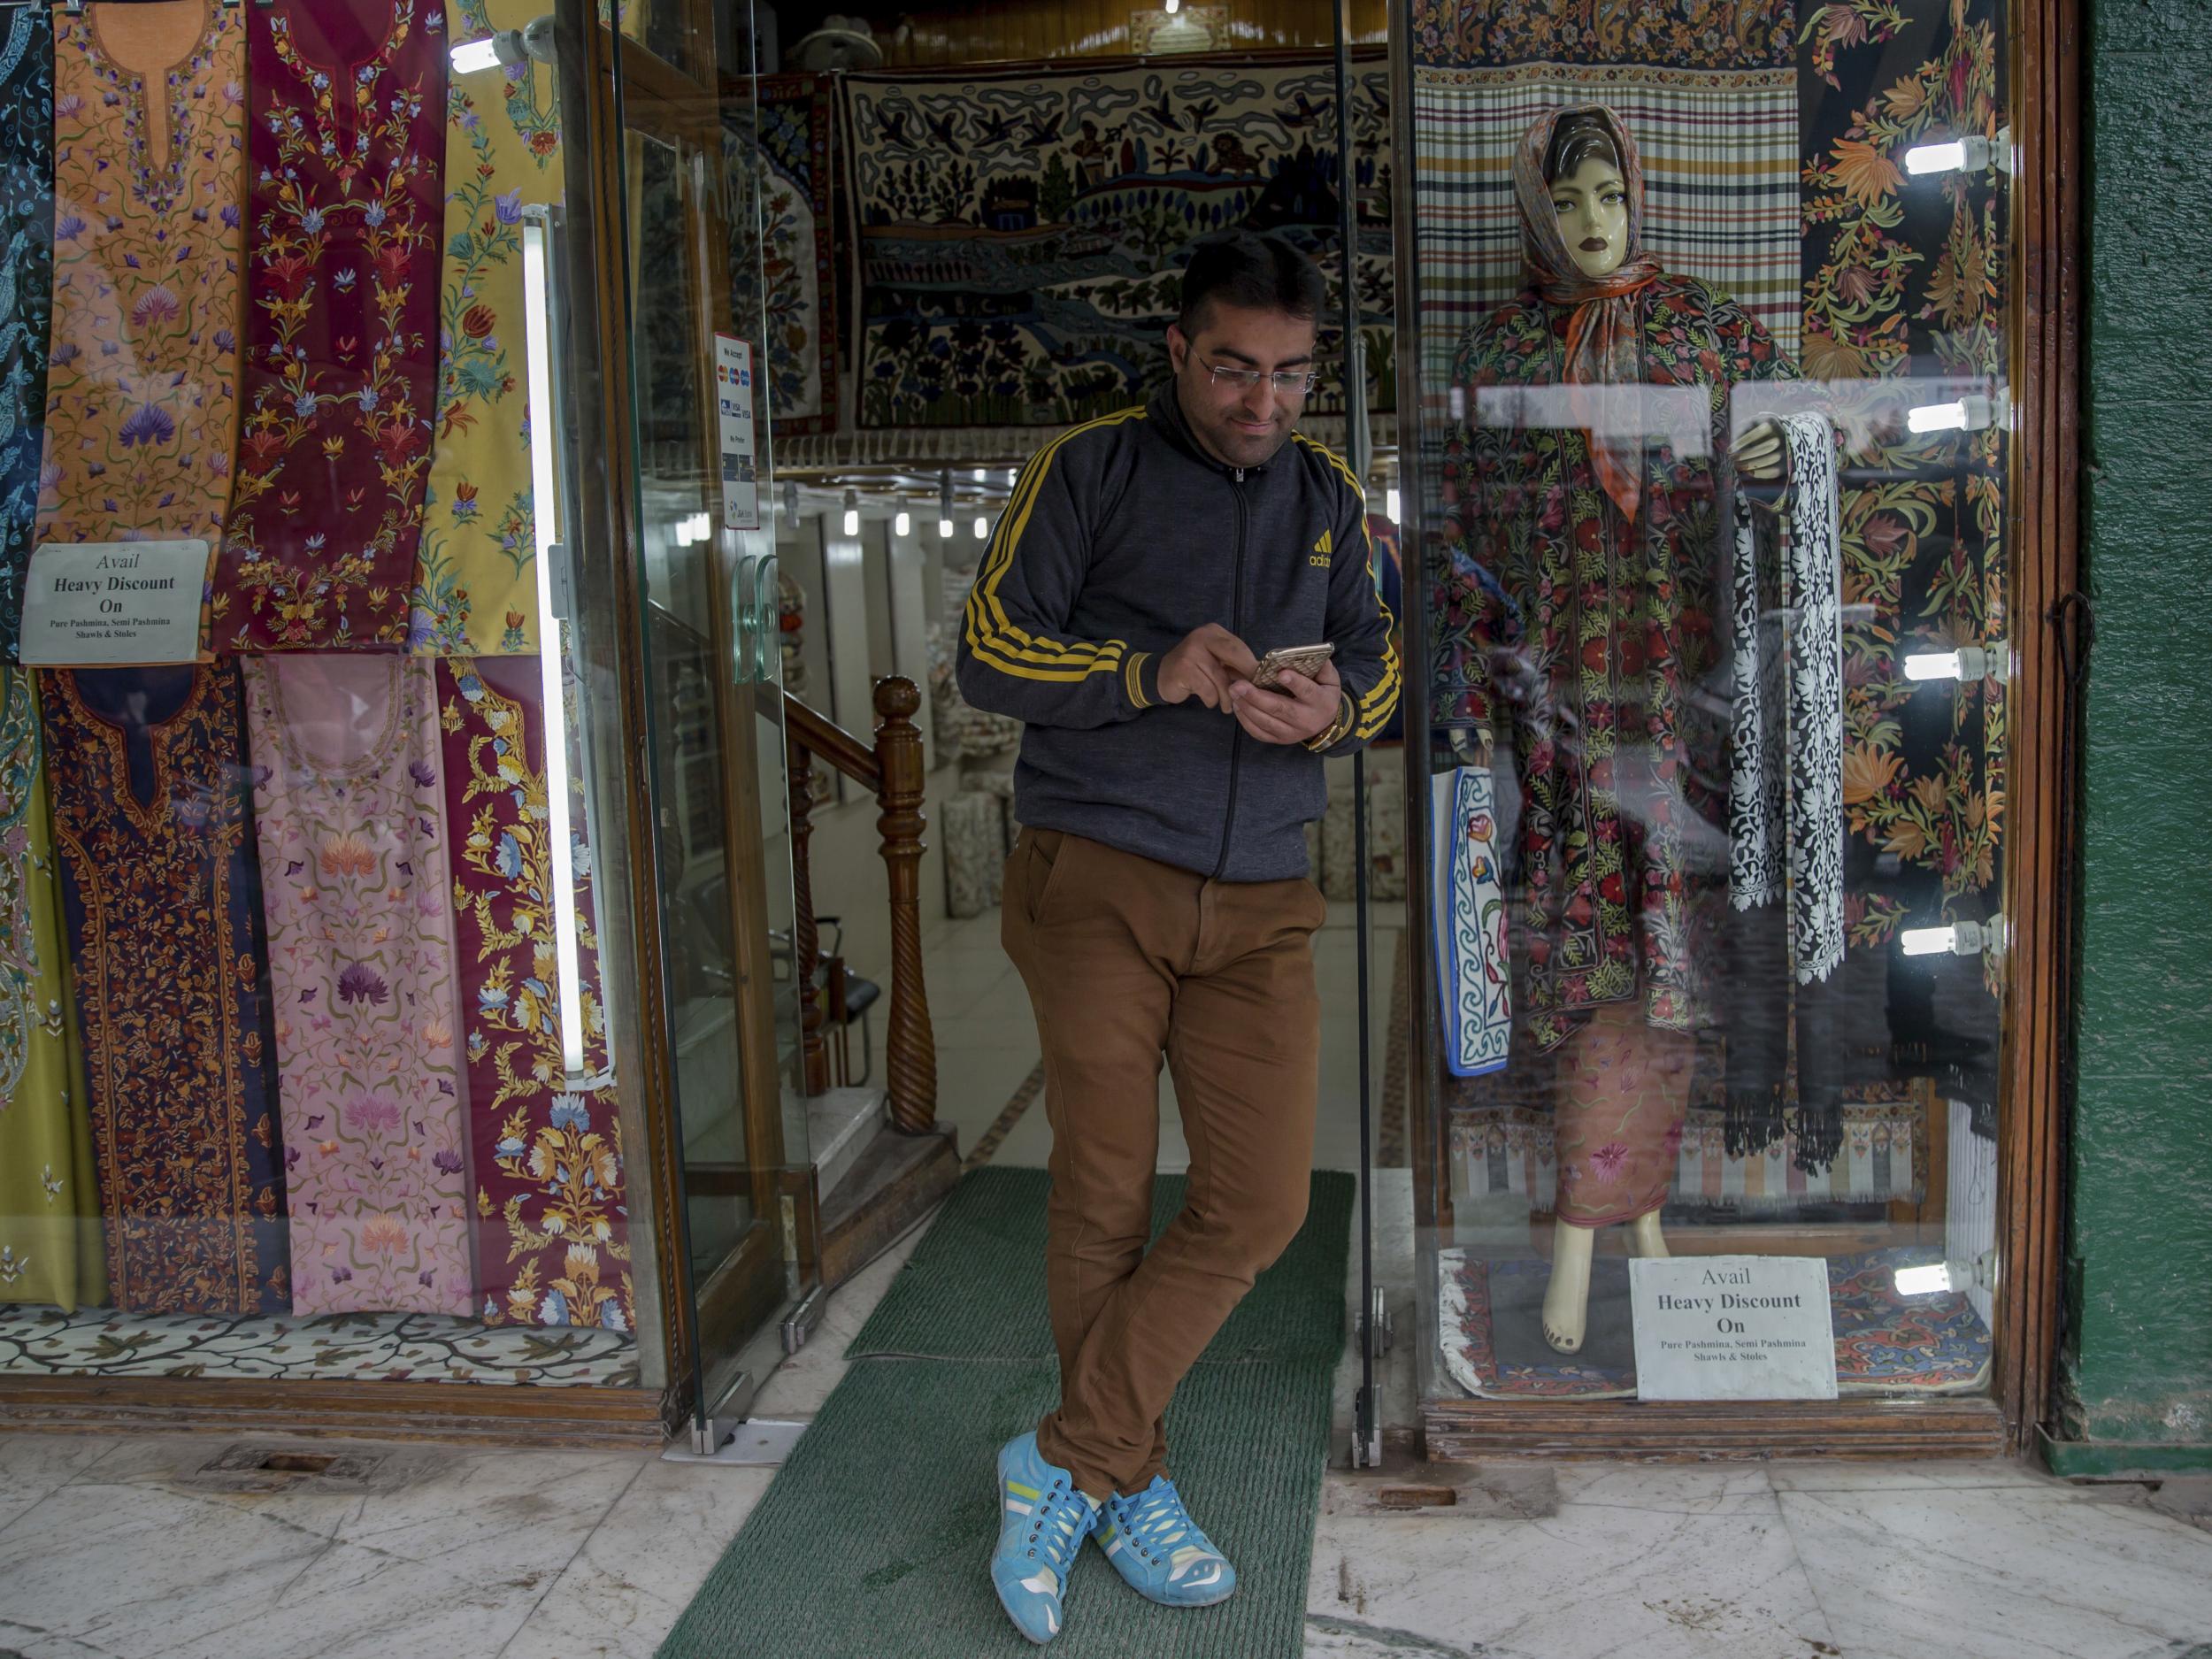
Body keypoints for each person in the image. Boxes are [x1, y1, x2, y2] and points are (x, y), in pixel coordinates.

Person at [956, 228, 1399, 1644]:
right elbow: (987, 652)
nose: (1262, 400)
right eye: (1232, 369)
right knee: (1100, 1185)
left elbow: (1387, 671)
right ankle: (1128, 1473)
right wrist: (1149, 670)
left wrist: (1334, 713)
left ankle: (1069, 1460)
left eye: (1289, 374)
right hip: (1096, 876)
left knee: (1261, 1201)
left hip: (1264, 900)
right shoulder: (1085, 470)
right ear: (1176, 353)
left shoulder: (1330, 497)